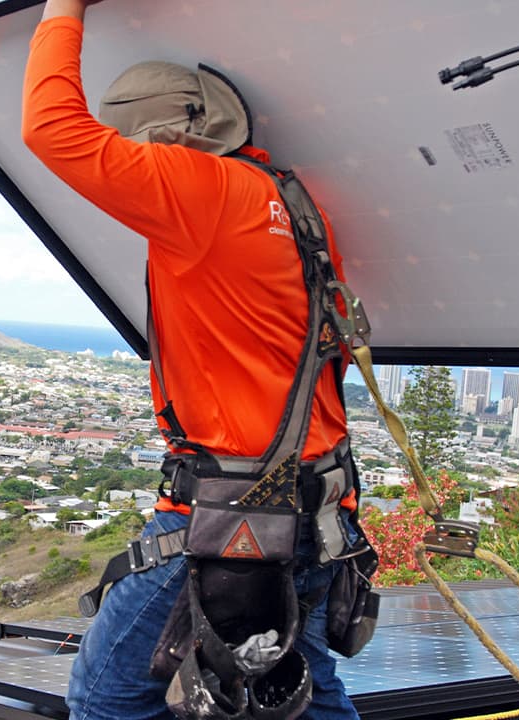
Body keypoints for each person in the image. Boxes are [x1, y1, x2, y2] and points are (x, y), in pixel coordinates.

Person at [22, 2, 365, 718]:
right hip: (318, 506)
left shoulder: (198, 190)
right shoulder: (291, 202)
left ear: (169, 138)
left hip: (230, 514)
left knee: (107, 695)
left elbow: (49, 128)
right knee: (309, 694)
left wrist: (63, 9)